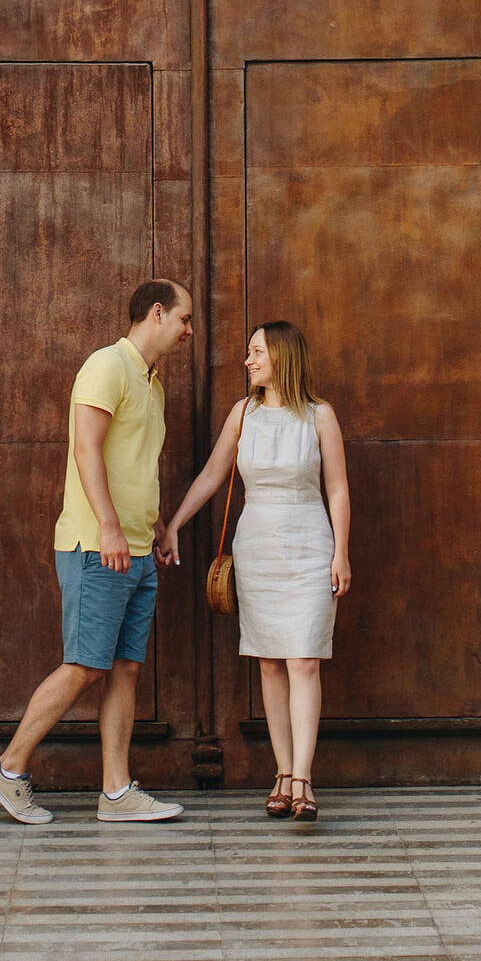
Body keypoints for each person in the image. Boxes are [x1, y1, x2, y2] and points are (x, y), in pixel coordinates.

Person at [0, 278, 194, 828]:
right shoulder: (107, 366)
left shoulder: (153, 383)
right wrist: (109, 527)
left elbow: (135, 464)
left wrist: (159, 525)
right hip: (98, 545)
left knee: (124, 668)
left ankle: (117, 793)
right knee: (84, 664)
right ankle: (9, 769)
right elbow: (86, 448)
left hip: (138, 548)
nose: (189, 331)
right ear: (156, 312)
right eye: (184, 319)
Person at [163, 320, 350, 824]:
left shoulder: (319, 416)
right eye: (249, 353)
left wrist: (342, 554)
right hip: (258, 549)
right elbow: (211, 474)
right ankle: (282, 773)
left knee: (304, 660)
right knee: (269, 662)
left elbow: (337, 489)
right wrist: (174, 525)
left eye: (256, 352)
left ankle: (304, 779)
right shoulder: (243, 413)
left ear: (282, 357)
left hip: (309, 546)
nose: (248, 361)